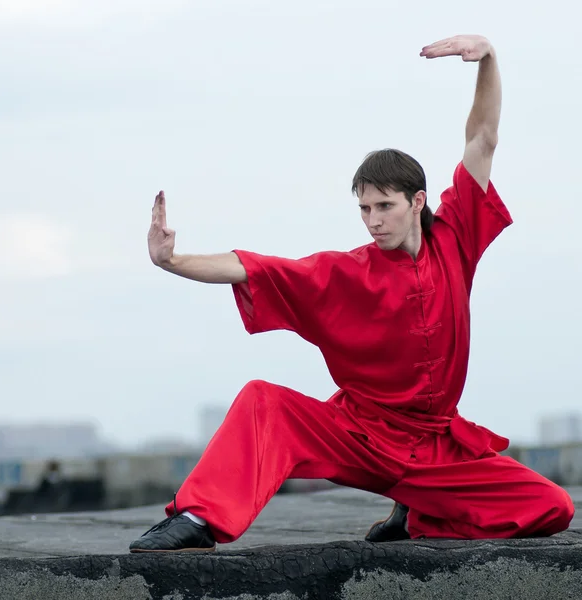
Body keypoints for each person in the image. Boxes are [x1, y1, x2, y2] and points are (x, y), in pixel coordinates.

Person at [129, 34, 574, 553]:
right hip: (358, 438)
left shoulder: (455, 239)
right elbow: (249, 268)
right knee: (263, 401)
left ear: (417, 201)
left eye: (384, 206)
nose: (373, 221)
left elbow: (483, 138)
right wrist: (173, 261)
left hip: (438, 451)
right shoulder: (343, 274)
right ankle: (199, 518)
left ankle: (419, 517)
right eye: (364, 209)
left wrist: (490, 59)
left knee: (553, 507)